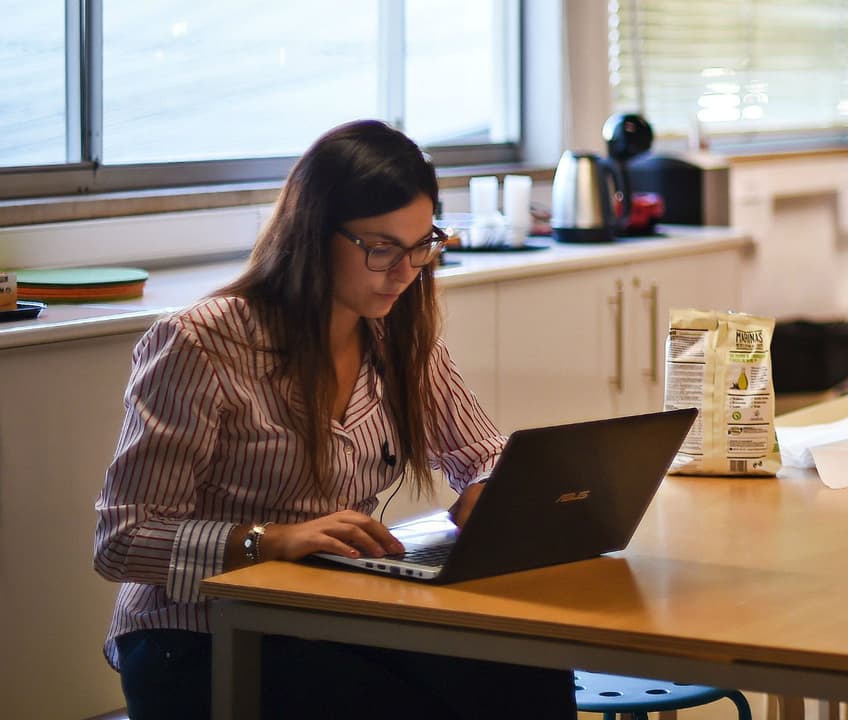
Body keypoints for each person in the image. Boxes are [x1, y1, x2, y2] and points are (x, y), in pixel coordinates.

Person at [93, 119, 576, 719]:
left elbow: (484, 453)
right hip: (194, 636)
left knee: (529, 669)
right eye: (382, 249)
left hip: (329, 613)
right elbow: (122, 540)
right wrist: (270, 541)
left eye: (422, 246)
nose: (404, 272)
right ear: (313, 233)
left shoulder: (398, 336)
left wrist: (491, 489)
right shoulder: (202, 342)